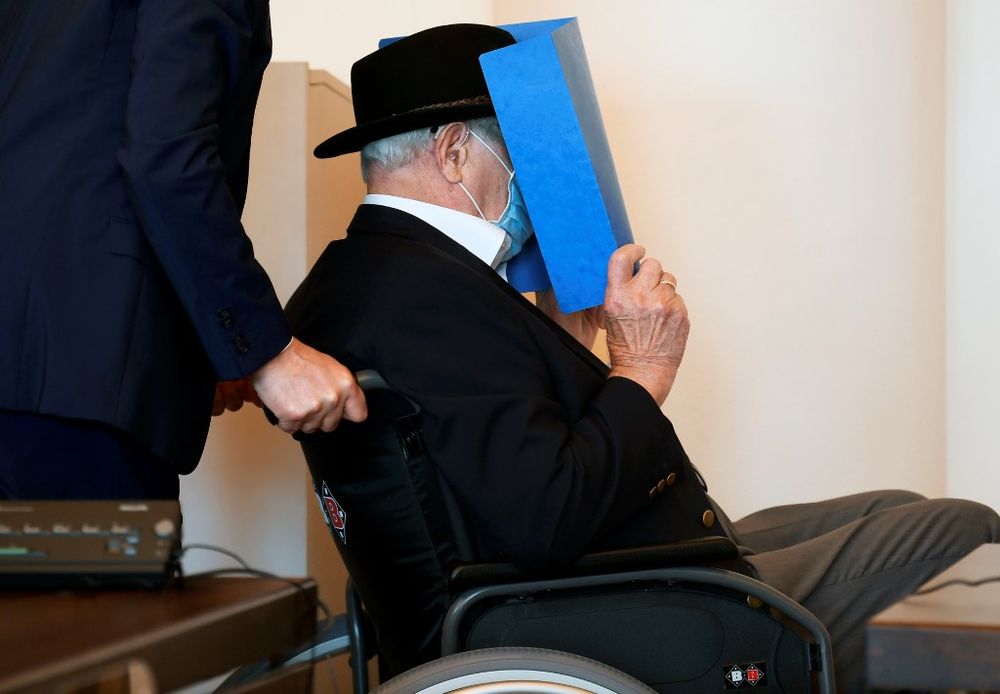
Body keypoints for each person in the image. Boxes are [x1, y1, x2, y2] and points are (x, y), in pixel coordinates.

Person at [285, 23, 999, 691]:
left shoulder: (370, 273)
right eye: (523, 153)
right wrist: (642, 370)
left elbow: (494, 456)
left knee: (897, 508)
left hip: (604, 559)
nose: (534, 178)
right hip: (596, 600)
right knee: (961, 530)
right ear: (451, 152)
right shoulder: (424, 294)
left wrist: (564, 345)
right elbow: (545, 518)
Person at [0, 0, 366, 500]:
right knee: (95, 579)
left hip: (45, 364)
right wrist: (270, 355)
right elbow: (166, 160)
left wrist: (207, 351)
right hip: (81, 376)